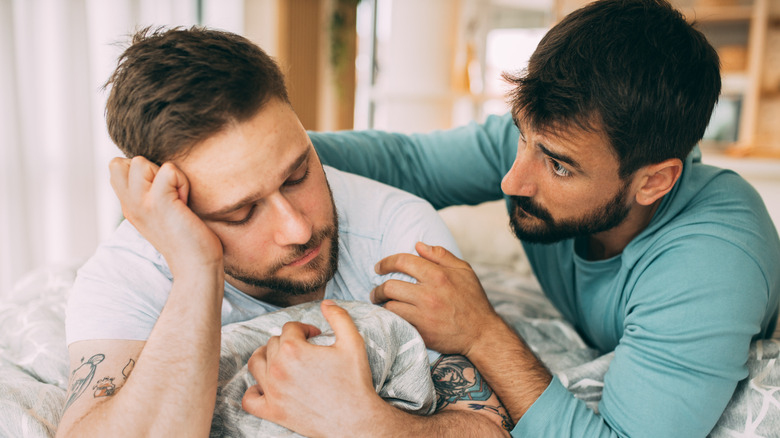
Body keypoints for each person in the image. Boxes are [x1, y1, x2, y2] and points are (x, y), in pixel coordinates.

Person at [298, 0, 780, 437]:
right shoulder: (544, 141)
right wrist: (280, 153)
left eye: (559, 166)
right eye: (521, 136)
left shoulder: (713, 261)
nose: (512, 182)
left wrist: (481, 332)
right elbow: (408, 163)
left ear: (653, 182)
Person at [57, 27, 511, 437]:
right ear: (176, 206)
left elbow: (489, 427)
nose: (298, 228)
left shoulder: (401, 229)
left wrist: (367, 425)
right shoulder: (125, 274)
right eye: (241, 212)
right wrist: (199, 271)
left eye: (298, 175)